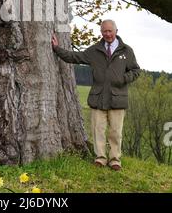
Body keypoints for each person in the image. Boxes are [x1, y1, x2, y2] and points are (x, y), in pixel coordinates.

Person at [51, 20, 140, 171]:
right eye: (104, 31)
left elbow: (136, 71)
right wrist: (57, 48)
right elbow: (74, 57)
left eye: (110, 31)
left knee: (115, 132)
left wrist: (123, 79)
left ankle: (115, 160)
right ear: (101, 33)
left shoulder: (127, 51)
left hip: (118, 98)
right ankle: (100, 158)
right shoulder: (95, 50)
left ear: (116, 31)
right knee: (97, 130)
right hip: (98, 98)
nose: (107, 34)